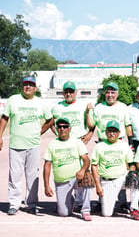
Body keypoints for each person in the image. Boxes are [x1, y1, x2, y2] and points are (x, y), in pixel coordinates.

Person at [0, 76, 53, 215]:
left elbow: (50, 120)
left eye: (31, 85)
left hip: (33, 145)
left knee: (32, 175)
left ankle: (31, 203)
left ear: (35, 88)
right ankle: (14, 203)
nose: (28, 87)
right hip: (16, 145)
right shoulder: (13, 100)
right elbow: (4, 118)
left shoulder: (40, 103)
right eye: (25, 85)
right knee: (15, 176)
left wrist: (39, 131)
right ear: (22, 87)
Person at [51, 81, 94, 213]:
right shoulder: (57, 107)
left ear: (76, 92)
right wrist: (58, 134)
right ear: (63, 93)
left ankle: (80, 202)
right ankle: (68, 199)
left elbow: (92, 124)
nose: (68, 94)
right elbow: (51, 123)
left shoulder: (82, 106)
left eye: (71, 91)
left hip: (79, 142)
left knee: (82, 173)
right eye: (66, 92)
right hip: (65, 143)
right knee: (67, 169)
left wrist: (89, 134)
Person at [90, 81, 133, 213]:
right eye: (108, 92)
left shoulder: (123, 107)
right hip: (103, 141)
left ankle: (122, 201)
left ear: (117, 94)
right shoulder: (99, 107)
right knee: (104, 171)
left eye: (113, 92)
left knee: (120, 170)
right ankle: (101, 200)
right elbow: (93, 125)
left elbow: (127, 125)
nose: (110, 95)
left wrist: (130, 143)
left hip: (119, 141)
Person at [43, 118, 92, 221]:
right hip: (61, 181)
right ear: (56, 129)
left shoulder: (77, 142)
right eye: (59, 127)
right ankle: (70, 201)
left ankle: (85, 210)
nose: (62, 129)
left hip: (77, 177)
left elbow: (86, 160)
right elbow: (47, 165)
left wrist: (82, 170)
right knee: (63, 213)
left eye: (65, 126)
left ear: (70, 129)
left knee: (88, 178)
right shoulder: (52, 144)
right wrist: (46, 186)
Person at [91, 121, 138, 219]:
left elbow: (131, 163)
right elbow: (94, 166)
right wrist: (98, 185)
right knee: (107, 214)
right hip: (106, 180)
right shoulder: (99, 146)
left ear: (119, 133)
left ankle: (134, 209)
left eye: (114, 131)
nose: (112, 133)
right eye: (109, 131)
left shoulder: (124, 145)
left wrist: (132, 173)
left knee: (135, 180)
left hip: (121, 178)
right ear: (106, 132)